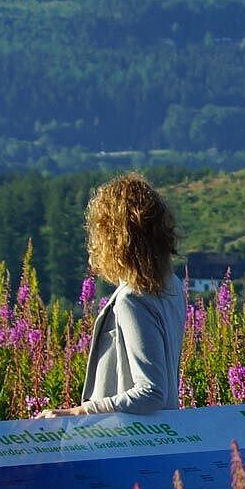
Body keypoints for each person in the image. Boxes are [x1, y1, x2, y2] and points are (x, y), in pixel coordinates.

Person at [40, 171, 184, 418]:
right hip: (164, 435)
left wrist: (80, 411)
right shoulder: (172, 285)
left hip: (126, 441)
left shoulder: (132, 299)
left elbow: (151, 392)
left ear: (114, 238)